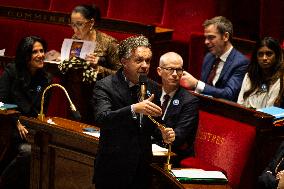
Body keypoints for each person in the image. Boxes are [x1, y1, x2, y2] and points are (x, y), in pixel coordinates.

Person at [92, 35, 175, 189]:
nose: (145, 65)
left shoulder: (153, 87)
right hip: (113, 170)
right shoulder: (105, 86)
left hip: (141, 170)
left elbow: (152, 124)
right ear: (124, 61)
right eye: (139, 60)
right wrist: (133, 109)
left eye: (148, 61)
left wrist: (162, 132)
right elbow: (103, 118)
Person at [0, 36, 51, 189]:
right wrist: (16, 121)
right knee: (29, 151)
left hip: (31, 127)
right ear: (25, 55)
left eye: (42, 51)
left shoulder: (46, 79)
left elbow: (41, 111)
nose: (41, 55)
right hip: (8, 125)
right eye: (35, 51)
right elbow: (1, 102)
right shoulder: (11, 71)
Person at [180, 16, 249, 101]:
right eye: (205, 37)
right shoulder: (209, 57)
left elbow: (229, 94)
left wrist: (196, 84)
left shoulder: (241, 63)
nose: (206, 42)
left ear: (225, 37)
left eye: (211, 37)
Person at [47, 4, 121, 79]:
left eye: (79, 24)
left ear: (91, 22)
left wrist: (98, 68)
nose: (75, 29)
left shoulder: (109, 43)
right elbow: (74, 65)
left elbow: (121, 75)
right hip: (76, 84)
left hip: (100, 87)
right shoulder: (75, 38)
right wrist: (62, 59)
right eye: (73, 25)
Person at [153, 52, 199, 164]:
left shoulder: (189, 101)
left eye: (178, 70)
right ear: (159, 71)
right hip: (153, 150)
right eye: (170, 69)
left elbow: (177, 138)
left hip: (175, 157)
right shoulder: (152, 94)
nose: (175, 74)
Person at [237, 37, 284, 109]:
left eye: (269, 54)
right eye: (260, 54)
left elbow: (269, 110)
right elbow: (240, 103)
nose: (264, 58)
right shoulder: (249, 75)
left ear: (277, 56)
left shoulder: (280, 80)